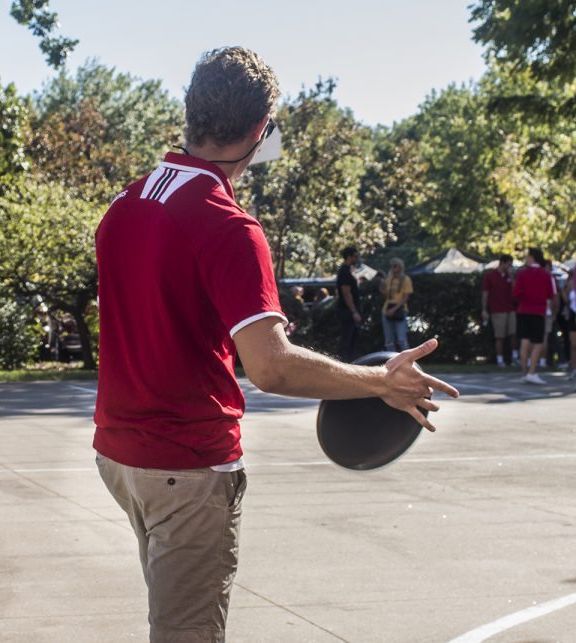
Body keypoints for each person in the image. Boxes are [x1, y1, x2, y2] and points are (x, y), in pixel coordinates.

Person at [92, 47, 459, 643]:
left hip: (119, 454)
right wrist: (382, 383)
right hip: (185, 463)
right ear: (260, 132)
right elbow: (273, 368)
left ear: (190, 113)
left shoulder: (125, 204)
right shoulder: (225, 223)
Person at [512, 247, 555, 385]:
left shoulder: (522, 273)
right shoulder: (546, 274)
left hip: (524, 310)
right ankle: (531, 372)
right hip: (538, 311)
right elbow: (551, 295)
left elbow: (516, 293)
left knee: (524, 342)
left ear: (532, 257)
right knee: (538, 343)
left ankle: (526, 372)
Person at [481, 254, 518, 367]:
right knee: (499, 336)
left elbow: (515, 290)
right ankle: (500, 359)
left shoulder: (509, 275)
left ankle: (514, 357)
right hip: (497, 310)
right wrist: (484, 309)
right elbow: (485, 294)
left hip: (510, 309)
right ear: (502, 263)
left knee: (513, 334)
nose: (509, 267)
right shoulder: (490, 276)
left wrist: (512, 277)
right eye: (508, 264)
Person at [379, 257, 413, 352]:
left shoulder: (406, 279)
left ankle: (408, 362)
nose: (392, 268)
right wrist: (382, 288)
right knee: (389, 341)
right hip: (387, 310)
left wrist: (393, 310)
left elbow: (405, 298)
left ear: (400, 267)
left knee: (402, 339)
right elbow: (386, 296)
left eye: (395, 266)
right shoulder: (389, 279)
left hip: (400, 311)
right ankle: (392, 363)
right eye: (391, 266)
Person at [336, 246, 362, 362]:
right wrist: (354, 312)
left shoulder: (349, 270)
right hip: (347, 312)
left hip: (349, 311)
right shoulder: (344, 271)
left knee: (352, 341)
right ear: (349, 256)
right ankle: (343, 364)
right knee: (346, 341)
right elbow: (346, 294)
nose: (357, 258)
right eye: (355, 256)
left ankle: (350, 364)